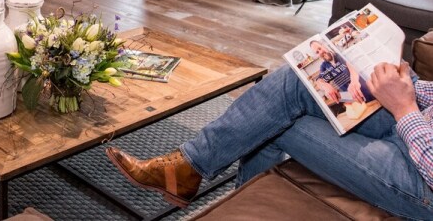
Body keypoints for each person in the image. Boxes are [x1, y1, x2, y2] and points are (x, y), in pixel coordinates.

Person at [105, 61, 433, 220]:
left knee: (275, 120)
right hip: (420, 120)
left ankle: (190, 173)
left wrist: (403, 107)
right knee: (300, 78)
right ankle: (190, 163)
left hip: (421, 180)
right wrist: (406, 86)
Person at [309, 39, 372, 105]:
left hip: (368, 89)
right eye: (317, 52)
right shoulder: (324, 66)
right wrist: (325, 86)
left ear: (323, 45)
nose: (320, 52)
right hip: (356, 100)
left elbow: (352, 67)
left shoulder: (339, 54)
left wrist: (354, 81)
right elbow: (319, 80)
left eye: (320, 48)